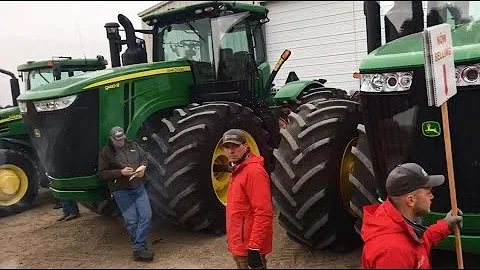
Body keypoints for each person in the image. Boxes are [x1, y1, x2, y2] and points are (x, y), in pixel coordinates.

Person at [361, 163, 463, 269]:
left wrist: (446, 225)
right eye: (428, 193)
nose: (432, 196)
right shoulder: (392, 252)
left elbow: (419, 243)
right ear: (411, 200)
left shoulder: (397, 223)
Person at [97, 126, 154, 262]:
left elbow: (145, 157)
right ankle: (140, 248)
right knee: (131, 221)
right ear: (112, 139)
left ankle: (138, 248)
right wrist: (120, 173)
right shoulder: (106, 152)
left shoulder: (133, 145)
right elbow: (102, 173)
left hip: (138, 187)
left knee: (146, 216)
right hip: (121, 191)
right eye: (118, 140)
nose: (121, 142)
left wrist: (143, 167)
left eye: (122, 138)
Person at [222, 129, 273, 269]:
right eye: (227, 147)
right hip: (239, 245)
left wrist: (254, 247)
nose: (231, 151)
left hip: (249, 247)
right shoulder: (237, 169)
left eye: (235, 146)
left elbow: (264, 212)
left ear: (245, 146)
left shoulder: (254, 172)